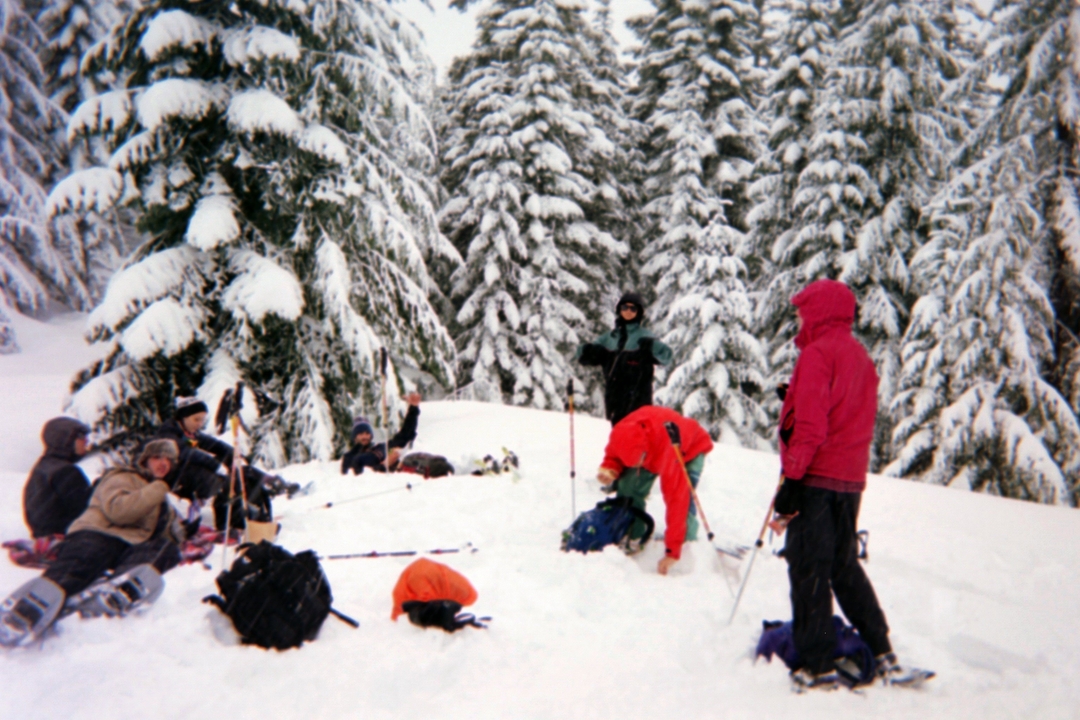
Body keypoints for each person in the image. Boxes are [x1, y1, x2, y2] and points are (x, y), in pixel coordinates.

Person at [770, 279, 914, 690]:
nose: (798, 316)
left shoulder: (817, 354)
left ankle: (817, 667)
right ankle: (881, 649)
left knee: (809, 566)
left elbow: (812, 428)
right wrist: (796, 395)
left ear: (820, 312)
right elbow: (846, 407)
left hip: (817, 475)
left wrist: (793, 480)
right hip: (850, 478)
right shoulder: (858, 355)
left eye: (803, 309)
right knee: (842, 564)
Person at [0, 439, 185, 647]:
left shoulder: (157, 494)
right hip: (98, 533)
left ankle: (115, 593)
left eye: (169, 460)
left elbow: (168, 534)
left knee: (164, 550)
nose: (163, 463)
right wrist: (160, 488)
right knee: (87, 557)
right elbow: (119, 512)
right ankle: (25, 612)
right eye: (157, 457)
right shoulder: (123, 477)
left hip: (128, 545)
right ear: (144, 460)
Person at [595, 405, 713, 575]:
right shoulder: (621, 433)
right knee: (628, 487)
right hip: (653, 451)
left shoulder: (668, 449)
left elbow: (676, 500)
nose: (636, 466)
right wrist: (610, 468)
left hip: (688, 449)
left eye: (638, 460)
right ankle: (633, 533)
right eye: (632, 463)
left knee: (684, 500)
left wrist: (673, 551)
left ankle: (687, 548)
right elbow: (613, 455)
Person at [153, 396, 298, 531]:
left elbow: (213, 444)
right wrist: (217, 466)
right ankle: (230, 522)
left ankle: (267, 488)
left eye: (203, 420)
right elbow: (186, 453)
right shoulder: (169, 433)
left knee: (241, 470)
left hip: (190, 472)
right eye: (196, 419)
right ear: (183, 418)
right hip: (175, 478)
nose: (200, 424)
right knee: (224, 481)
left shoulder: (189, 432)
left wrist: (235, 454)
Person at [577, 292, 673, 425]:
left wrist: (652, 347)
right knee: (619, 437)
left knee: (637, 439)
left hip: (639, 399)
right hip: (614, 398)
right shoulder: (610, 337)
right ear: (619, 309)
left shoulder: (645, 336)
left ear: (639, 312)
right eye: (625, 307)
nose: (628, 311)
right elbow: (582, 355)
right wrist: (588, 351)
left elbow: (667, 357)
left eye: (633, 308)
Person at [22, 417, 92, 538]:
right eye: (80, 435)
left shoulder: (43, 467)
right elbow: (86, 511)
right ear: (65, 440)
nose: (86, 440)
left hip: (45, 540)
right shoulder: (66, 472)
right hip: (67, 540)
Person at [342, 393, 422, 474]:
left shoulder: (380, 448)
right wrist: (384, 466)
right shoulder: (349, 457)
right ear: (354, 436)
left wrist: (413, 409)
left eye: (367, 433)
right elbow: (356, 475)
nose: (364, 436)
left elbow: (404, 435)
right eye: (360, 433)